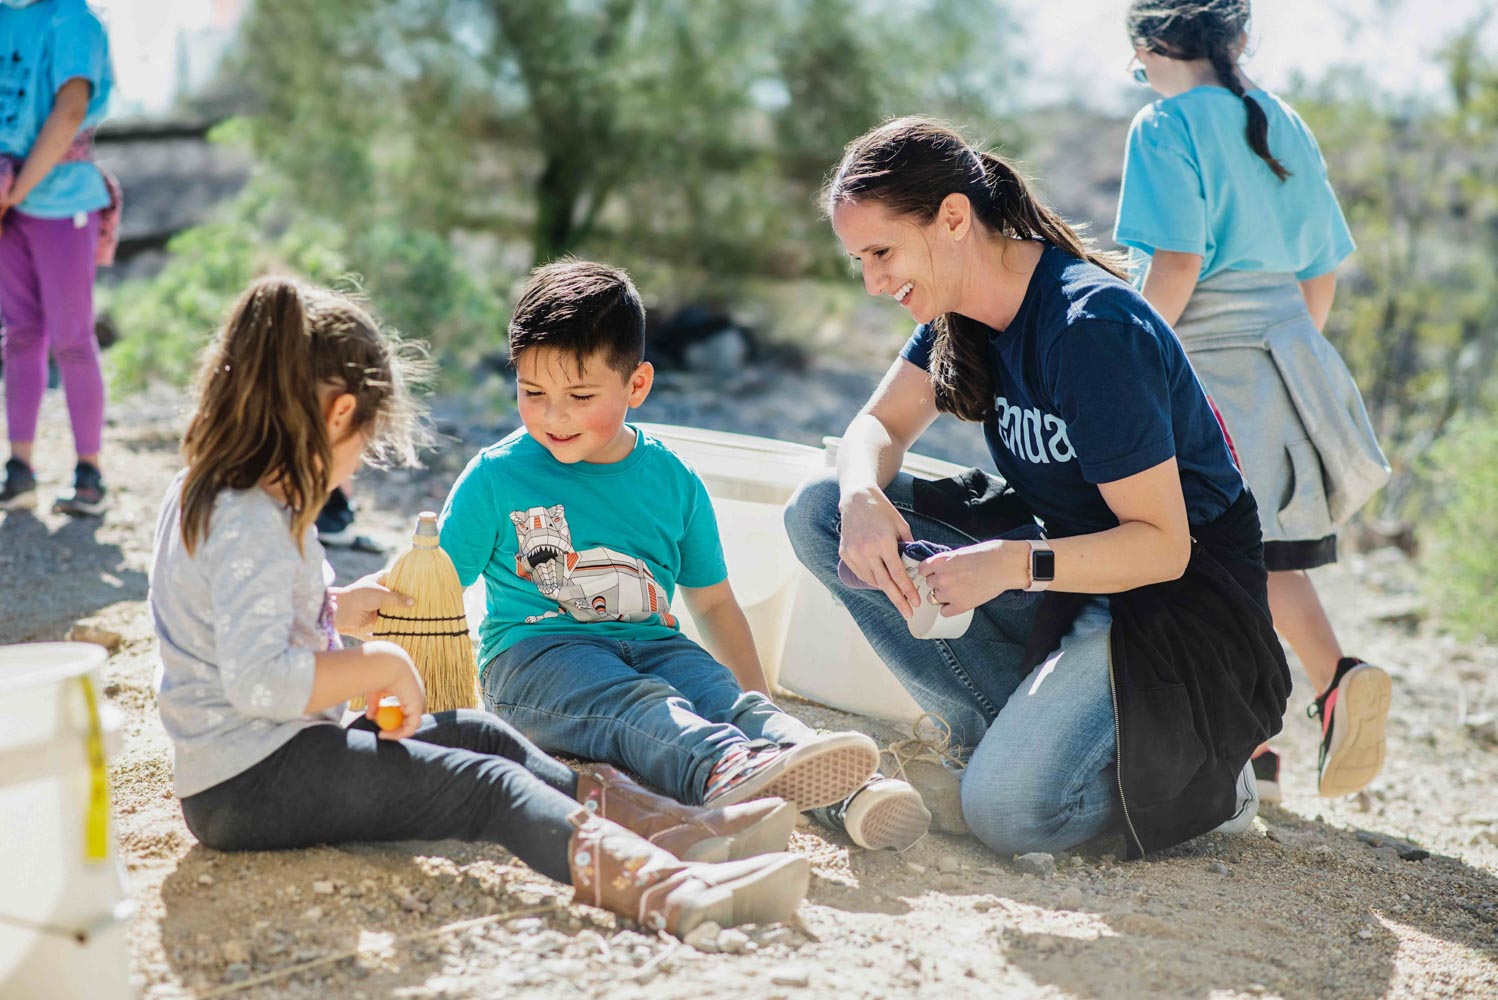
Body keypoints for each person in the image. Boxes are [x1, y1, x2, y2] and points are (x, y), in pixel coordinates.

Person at [148, 275, 810, 938]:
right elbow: (260, 679)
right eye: (360, 452)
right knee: (486, 788)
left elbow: (248, 614)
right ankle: (669, 887)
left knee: (483, 733)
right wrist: (376, 665)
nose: (351, 473)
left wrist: (339, 608)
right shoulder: (251, 522)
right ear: (338, 416)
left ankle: (680, 831)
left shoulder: (220, 495)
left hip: (276, 759)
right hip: (251, 786)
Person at [784, 116, 1291, 860]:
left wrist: (1010, 566)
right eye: (860, 260)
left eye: (882, 252)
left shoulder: (1090, 328)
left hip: (1176, 608)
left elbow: (1163, 547)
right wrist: (862, 492)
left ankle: (1203, 776)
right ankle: (997, 739)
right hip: (1069, 576)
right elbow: (877, 427)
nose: (873, 282)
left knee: (1007, 815)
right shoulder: (956, 309)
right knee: (820, 511)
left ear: (953, 218)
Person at [441, 259, 930, 851]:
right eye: (532, 392)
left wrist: (758, 702)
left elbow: (716, 604)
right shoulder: (496, 477)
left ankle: (842, 790)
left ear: (637, 386)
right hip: (537, 660)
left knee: (723, 699)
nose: (554, 415)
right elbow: (435, 590)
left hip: (655, 645)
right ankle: (723, 767)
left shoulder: (673, 482)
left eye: (580, 394)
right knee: (642, 705)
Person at [1117, 0, 1392, 801]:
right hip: (1288, 355)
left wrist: (1135, 351)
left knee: (1206, 553)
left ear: (1152, 46)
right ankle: (1270, 742)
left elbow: (1175, 261)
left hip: (1205, 360)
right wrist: (1289, 354)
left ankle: (1314, 694)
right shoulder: (1282, 121)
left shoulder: (1164, 127)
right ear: (1236, 42)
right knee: (1270, 554)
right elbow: (1323, 270)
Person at [0, 0, 120, 516]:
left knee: (71, 340)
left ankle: (88, 473)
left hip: (60, 201)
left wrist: (12, 191)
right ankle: (19, 468)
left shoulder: (75, 20)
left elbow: (70, 110)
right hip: (9, 202)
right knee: (21, 335)